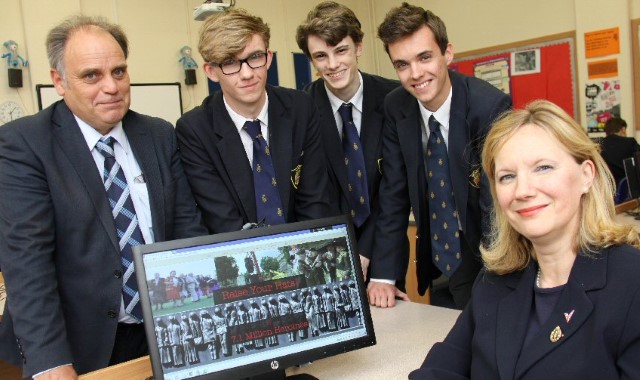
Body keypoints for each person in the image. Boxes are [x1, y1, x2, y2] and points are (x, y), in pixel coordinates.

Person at [0, 15, 206, 379]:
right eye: (91, 75)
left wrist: (206, 318)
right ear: (59, 81)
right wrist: (50, 361)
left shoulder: (158, 134)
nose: (111, 87)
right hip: (80, 344)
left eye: (119, 71)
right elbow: (27, 263)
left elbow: (187, 233)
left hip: (164, 333)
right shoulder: (24, 144)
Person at [410, 99, 640, 379]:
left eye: (543, 168)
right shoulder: (495, 281)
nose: (523, 190)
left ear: (586, 175)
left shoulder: (631, 282)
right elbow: (441, 369)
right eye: (507, 177)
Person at [367, 3, 512, 309]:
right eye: (402, 64)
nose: (416, 74)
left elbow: (495, 203)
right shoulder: (397, 107)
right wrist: (383, 275)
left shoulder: (488, 107)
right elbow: (393, 192)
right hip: (437, 253)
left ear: (447, 53)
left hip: (486, 250)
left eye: (424, 57)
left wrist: (500, 277)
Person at [176, 8, 331, 233]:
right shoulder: (195, 130)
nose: (247, 73)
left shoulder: (301, 107)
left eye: (255, 57)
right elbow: (222, 219)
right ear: (211, 71)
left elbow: (314, 200)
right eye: (230, 62)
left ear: (269, 58)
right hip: (240, 253)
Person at [295, 1, 403, 282]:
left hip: (385, 250)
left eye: (341, 50)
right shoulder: (300, 110)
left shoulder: (394, 99)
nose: (332, 65)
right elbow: (312, 196)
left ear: (359, 47)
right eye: (321, 56)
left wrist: (366, 251)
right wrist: (340, 252)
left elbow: (394, 189)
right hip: (326, 255)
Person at [599, 117, 640, 188]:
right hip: (628, 190)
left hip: (606, 189)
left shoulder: (599, 145)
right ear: (623, 129)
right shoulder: (630, 142)